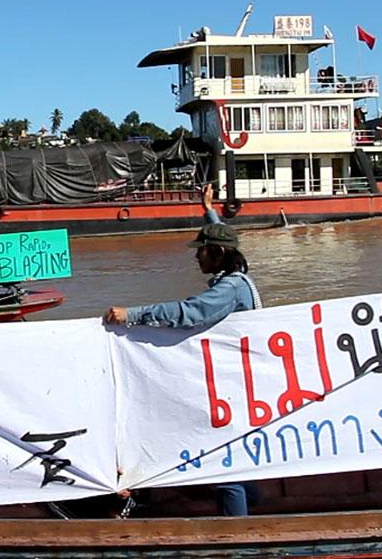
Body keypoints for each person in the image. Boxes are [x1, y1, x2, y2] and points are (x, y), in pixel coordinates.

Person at [101, 182, 261, 517]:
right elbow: (224, 237)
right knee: (237, 455)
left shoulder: (229, 289)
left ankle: (239, 528)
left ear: (217, 254)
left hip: (231, 387)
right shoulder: (239, 278)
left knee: (226, 464)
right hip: (239, 382)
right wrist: (209, 211)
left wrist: (133, 315)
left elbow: (189, 313)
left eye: (201, 250)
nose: (196, 255)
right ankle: (257, 501)